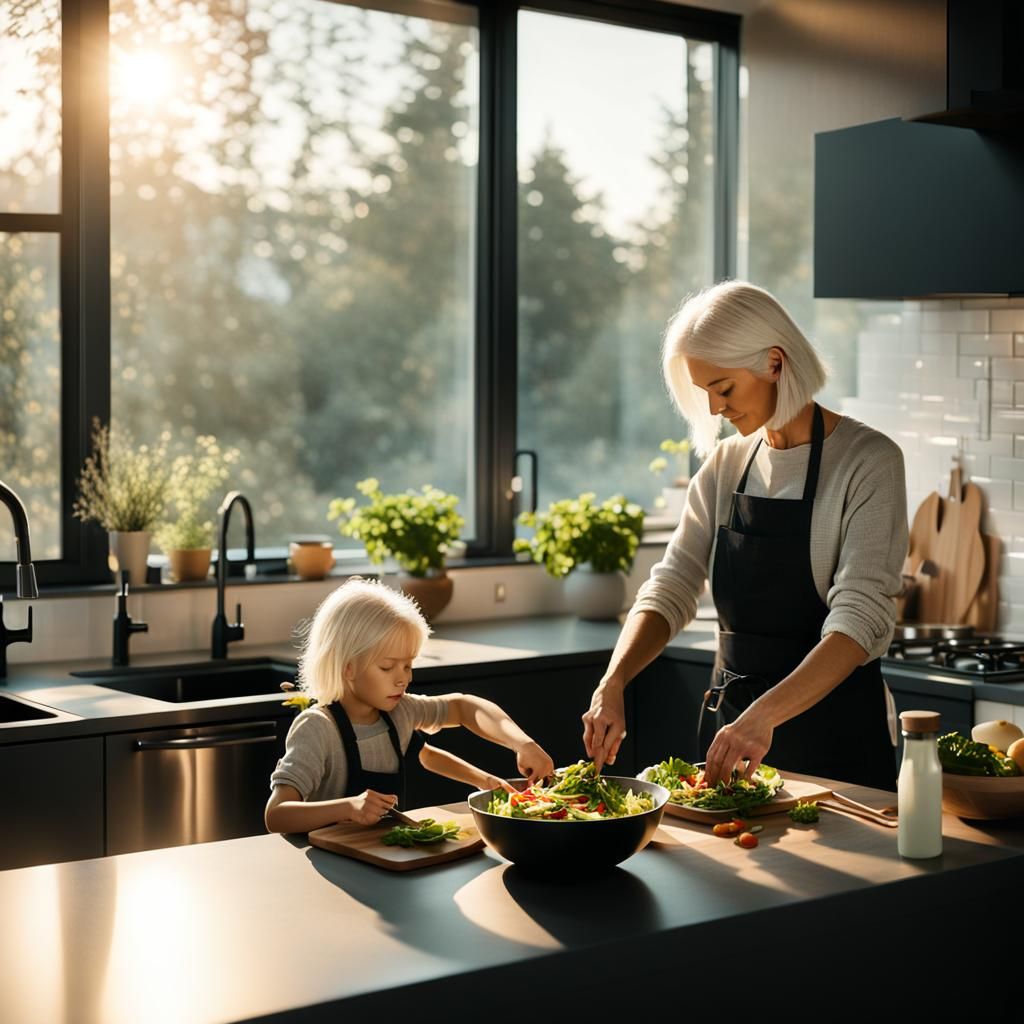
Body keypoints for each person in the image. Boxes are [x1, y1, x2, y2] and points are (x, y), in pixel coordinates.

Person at [582, 280, 908, 791]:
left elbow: (861, 618)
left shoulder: (869, 462)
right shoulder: (726, 464)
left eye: (724, 388)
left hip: (835, 739)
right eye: (704, 392)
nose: (714, 409)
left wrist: (766, 715)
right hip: (732, 737)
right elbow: (672, 585)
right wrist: (613, 681)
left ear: (774, 363)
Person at [266, 578, 554, 833]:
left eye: (408, 665)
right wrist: (349, 808)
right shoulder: (317, 728)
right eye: (388, 667)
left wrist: (521, 745)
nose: (404, 678)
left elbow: (465, 708)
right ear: (348, 668)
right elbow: (277, 815)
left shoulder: (399, 712)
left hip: (383, 860)